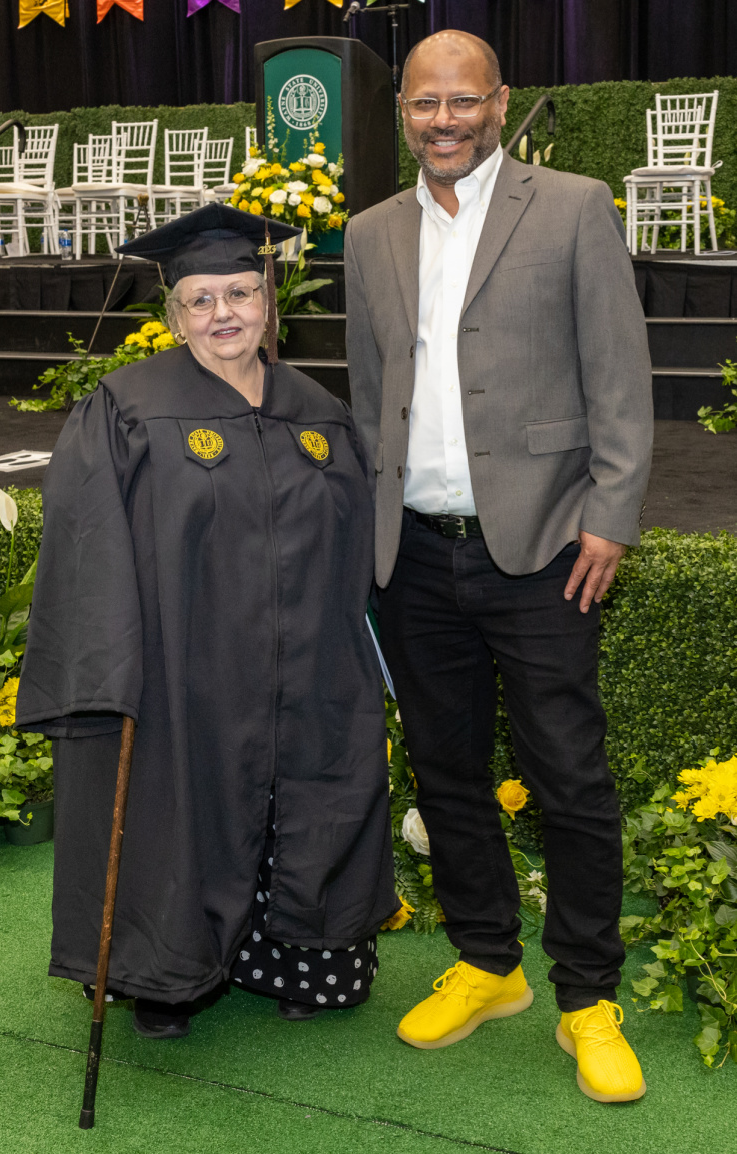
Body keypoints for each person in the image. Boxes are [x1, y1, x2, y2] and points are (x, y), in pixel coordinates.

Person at [344, 31, 653, 1102]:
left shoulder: (569, 207)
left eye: (463, 101)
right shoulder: (367, 232)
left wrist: (607, 516)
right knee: (446, 771)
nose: (444, 120)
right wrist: (369, 531)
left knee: (568, 776)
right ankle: (487, 962)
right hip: (413, 554)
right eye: (425, 103)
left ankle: (585, 996)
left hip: (544, 549)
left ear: (499, 101)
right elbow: (366, 392)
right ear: (402, 111)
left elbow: (619, 377)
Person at [16, 203, 397, 1039]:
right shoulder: (125, 407)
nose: (223, 313)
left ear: (270, 301)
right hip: (181, 664)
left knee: (314, 793)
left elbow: (361, 546)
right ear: (171, 315)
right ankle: (167, 973)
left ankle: (304, 958)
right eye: (200, 298)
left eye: (240, 292)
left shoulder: (318, 410)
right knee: (176, 806)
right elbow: (88, 548)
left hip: (309, 666)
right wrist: (107, 672)